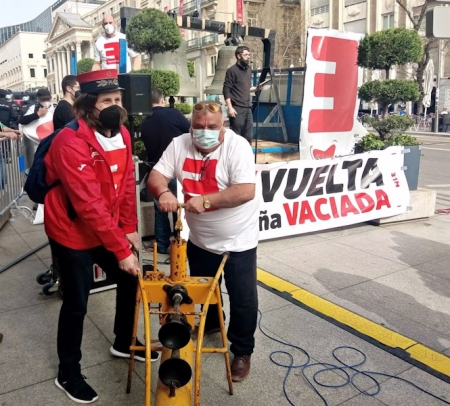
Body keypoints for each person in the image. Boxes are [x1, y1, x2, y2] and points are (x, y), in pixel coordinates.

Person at [44, 69, 158, 404]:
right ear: (87, 104)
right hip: (71, 230)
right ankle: (68, 372)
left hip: (104, 227)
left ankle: (124, 341)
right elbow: (87, 201)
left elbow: (124, 187)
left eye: (118, 100)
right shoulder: (70, 141)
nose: (114, 106)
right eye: (106, 101)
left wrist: (129, 228)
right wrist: (120, 249)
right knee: (77, 302)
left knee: (130, 280)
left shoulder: (122, 133)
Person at [147, 101, 259, 383]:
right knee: (205, 291)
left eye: (212, 127)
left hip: (238, 240)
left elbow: (245, 190)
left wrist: (207, 200)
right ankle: (210, 324)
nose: (205, 132)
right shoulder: (179, 144)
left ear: (224, 126)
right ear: (190, 126)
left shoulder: (238, 147)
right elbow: (157, 175)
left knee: (243, 299)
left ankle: (242, 351)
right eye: (198, 127)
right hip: (199, 239)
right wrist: (163, 193)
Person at [141, 88, 191, 254]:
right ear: (162, 100)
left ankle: (162, 245)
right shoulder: (174, 114)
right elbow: (191, 132)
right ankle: (180, 244)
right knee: (180, 208)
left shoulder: (145, 121)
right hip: (177, 170)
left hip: (156, 172)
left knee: (160, 211)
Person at [223, 45, 266, 144]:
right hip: (237, 108)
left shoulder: (248, 70)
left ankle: (246, 157)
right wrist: (230, 108)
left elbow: (247, 88)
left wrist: (257, 88)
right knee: (236, 136)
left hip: (248, 108)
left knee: (248, 136)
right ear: (239, 56)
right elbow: (226, 90)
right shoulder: (232, 71)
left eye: (249, 55)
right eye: (246, 54)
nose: (248, 57)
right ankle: (234, 158)